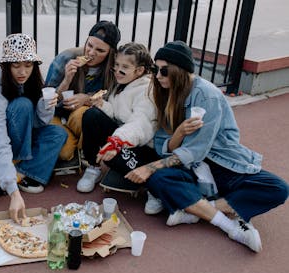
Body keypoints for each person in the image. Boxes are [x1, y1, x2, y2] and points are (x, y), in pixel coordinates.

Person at [125, 41, 288, 252]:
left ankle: (196, 209)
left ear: (179, 70)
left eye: (163, 70)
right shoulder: (165, 91)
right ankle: (227, 221)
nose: (157, 75)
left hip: (221, 164)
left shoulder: (206, 95)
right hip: (193, 168)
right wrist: (180, 133)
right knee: (158, 179)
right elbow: (161, 144)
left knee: (278, 189)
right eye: (156, 69)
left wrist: (149, 167)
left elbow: (196, 151)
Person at [0, 33, 67, 221]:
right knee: (23, 105)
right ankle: (13, 175)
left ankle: (18, 174)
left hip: (17, 135)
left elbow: (37, 123)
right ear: (5, 65)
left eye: (28, 65)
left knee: (58, 133)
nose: (22, 72)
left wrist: (44, 108)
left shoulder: (32, 80)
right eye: (16, 65)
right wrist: (14, 193)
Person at [76, 42, 160, 208]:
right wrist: (102, 105)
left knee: (142, 170)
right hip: (124, 140)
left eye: (124, 67)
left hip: (143, 149)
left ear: (140, 70)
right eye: (116, 65)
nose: (117, 71)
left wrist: (116, 142)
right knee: (92, 115)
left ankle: (154, 188)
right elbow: (117, 113)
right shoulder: (123, 84)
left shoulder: (147, 91)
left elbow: (140, 125)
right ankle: (94, 167)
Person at [44, 20, 120, 161]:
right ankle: (75, 146)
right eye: (89, 45)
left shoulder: (113, 70)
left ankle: (85, 151)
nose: (91, 53)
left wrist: (86, 99)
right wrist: (67, 80)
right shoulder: (65, 58)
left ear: (110, 53)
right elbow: (47, 101)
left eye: (100, 50)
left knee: (83, 113)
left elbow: (112, 103)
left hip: (81, 118)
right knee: (63, 154)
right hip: (58, 115)